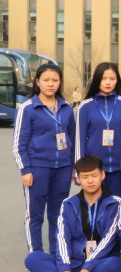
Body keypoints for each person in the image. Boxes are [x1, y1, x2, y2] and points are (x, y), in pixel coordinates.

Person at [24, 156, 121, 272]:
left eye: (94, 175)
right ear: (78, 179)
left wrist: (87, 269)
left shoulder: (116, 204)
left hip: (100, 264)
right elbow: (62, 238)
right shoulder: (68, 204)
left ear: (102, 175)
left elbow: (108, 241)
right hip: (73, 263)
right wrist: (64, 269)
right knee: (33, 259)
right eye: (85, 177)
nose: (90, 181)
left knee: (117, 265)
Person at [13, 63, 76, 254]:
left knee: (57, 214)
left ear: (60, 82)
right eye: (46, 80)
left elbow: (72, 139)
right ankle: (36, 255)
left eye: (55, 80)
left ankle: (57, 254)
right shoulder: (28, 108)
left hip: (63, 168)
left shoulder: (66, 108)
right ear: (37, 82)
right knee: (35, 215)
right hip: (37, 168)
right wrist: (25, 170)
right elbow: (19, 144)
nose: (50, 84)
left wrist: (72, 167)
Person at [75, 62, 121, 197]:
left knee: (117, 204)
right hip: (94, 170)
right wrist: (79, 169)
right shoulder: (85, 106)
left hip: (119, 169)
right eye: (103, 78)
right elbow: (79, 140)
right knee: (96, 205)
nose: (108, 82)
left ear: (117, 80)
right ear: (97, 80)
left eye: (112, 79)